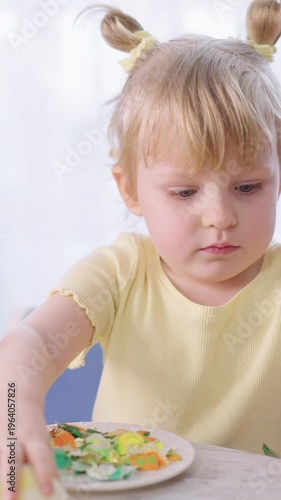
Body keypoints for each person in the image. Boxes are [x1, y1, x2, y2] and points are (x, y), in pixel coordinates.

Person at [1, 0, 281, 497]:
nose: (220, 215)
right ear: (130, 189)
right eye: (185, 192)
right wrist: (16, 408)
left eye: (247, 186)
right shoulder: (120, 273)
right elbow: (28, 345)